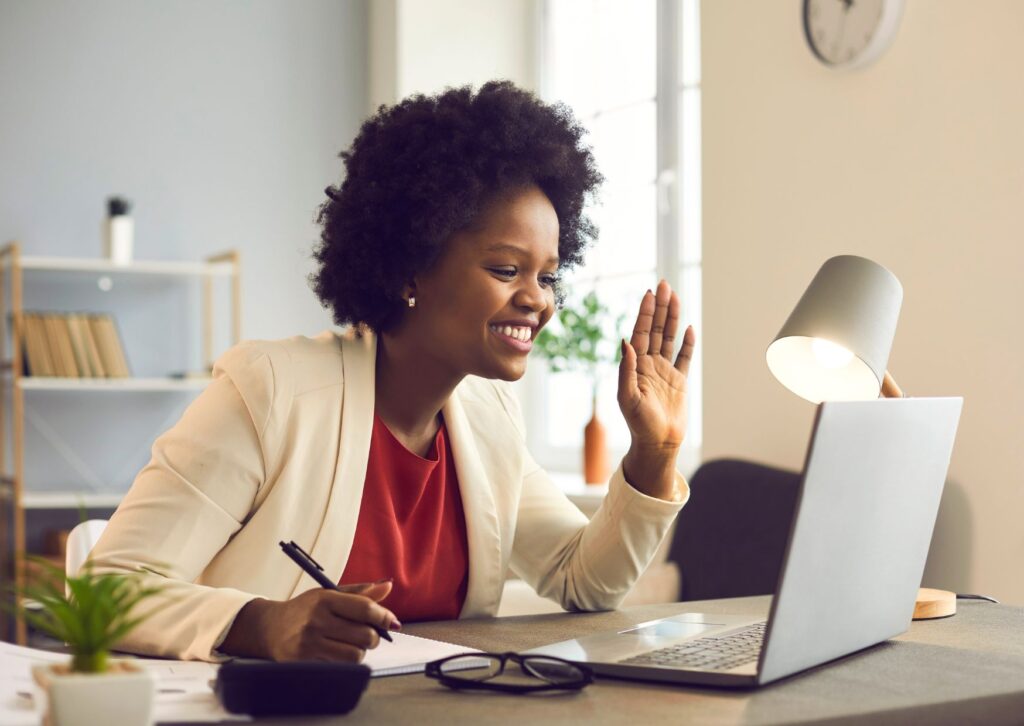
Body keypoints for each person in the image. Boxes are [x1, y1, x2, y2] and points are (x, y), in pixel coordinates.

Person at [88, 81, 697, 663]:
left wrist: (656, 449)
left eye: (549, 276)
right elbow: (104, 589)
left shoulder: (488, 419)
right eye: (507, 270)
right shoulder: (272, 392)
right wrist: (261, 623)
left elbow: (583, 580)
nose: (538, 299)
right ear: (411, 269)